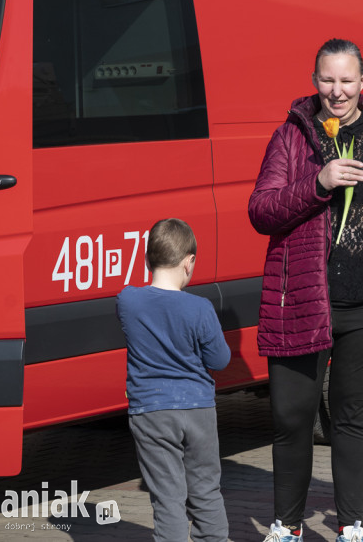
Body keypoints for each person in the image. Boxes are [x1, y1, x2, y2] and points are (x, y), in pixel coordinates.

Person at [248, 38, 363, 542]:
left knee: (353, 422)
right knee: (292, 420)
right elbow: (261, 211)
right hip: (303, 302)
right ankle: (286, 526)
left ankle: (352, 524)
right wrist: (318, 182)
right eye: (328, 80)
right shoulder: (292, 137)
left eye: (347, 80)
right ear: (315, 81)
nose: (337, 91)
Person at [115, 218, 232, 542]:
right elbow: (220, 360)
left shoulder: (128, 301)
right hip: (198, 409)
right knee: (206, 492)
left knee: (167, 499)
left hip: (150, 411)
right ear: (189, 262)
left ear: (147, 259)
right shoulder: (200, 308)